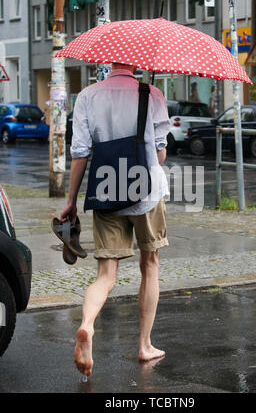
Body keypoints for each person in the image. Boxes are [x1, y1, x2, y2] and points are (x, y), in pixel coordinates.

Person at [60, 63, 171, 377]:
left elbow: (80, 152)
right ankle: (144, 344)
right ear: (136, 64)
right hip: (147, 193)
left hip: (106, 190)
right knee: (149, 265)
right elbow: (160, 155)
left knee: (106, 275)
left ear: (106, 64)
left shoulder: (88, 96)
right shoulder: (151, 93)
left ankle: (86, 325)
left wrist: (70, 202)